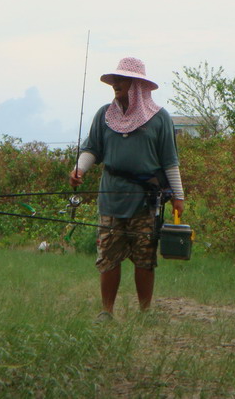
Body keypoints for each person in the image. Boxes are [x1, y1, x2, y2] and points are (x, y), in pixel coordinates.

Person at [69, 56, 185, 320]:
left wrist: (179, 196)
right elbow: (92, 149)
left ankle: (145, 312)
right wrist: (79, 170)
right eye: (114, 80)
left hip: (145, 201)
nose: (115, 85)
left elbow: (170, 161)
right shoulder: (104, 115)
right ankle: (106, 311)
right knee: (108, 255)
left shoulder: (159, 118)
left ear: (136, 85)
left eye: (121, 80)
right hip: (110, 198)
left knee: (145, 256)